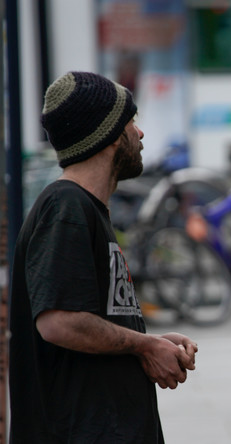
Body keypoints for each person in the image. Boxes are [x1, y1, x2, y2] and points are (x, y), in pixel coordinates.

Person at [9, 71, 198, 443]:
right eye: (132, 123)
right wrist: (145, 345)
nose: (140, 135)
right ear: (108, 136)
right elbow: (59, 322)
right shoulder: (66, 207)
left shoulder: (86, 209)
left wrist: (152, 341)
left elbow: (88, 324)